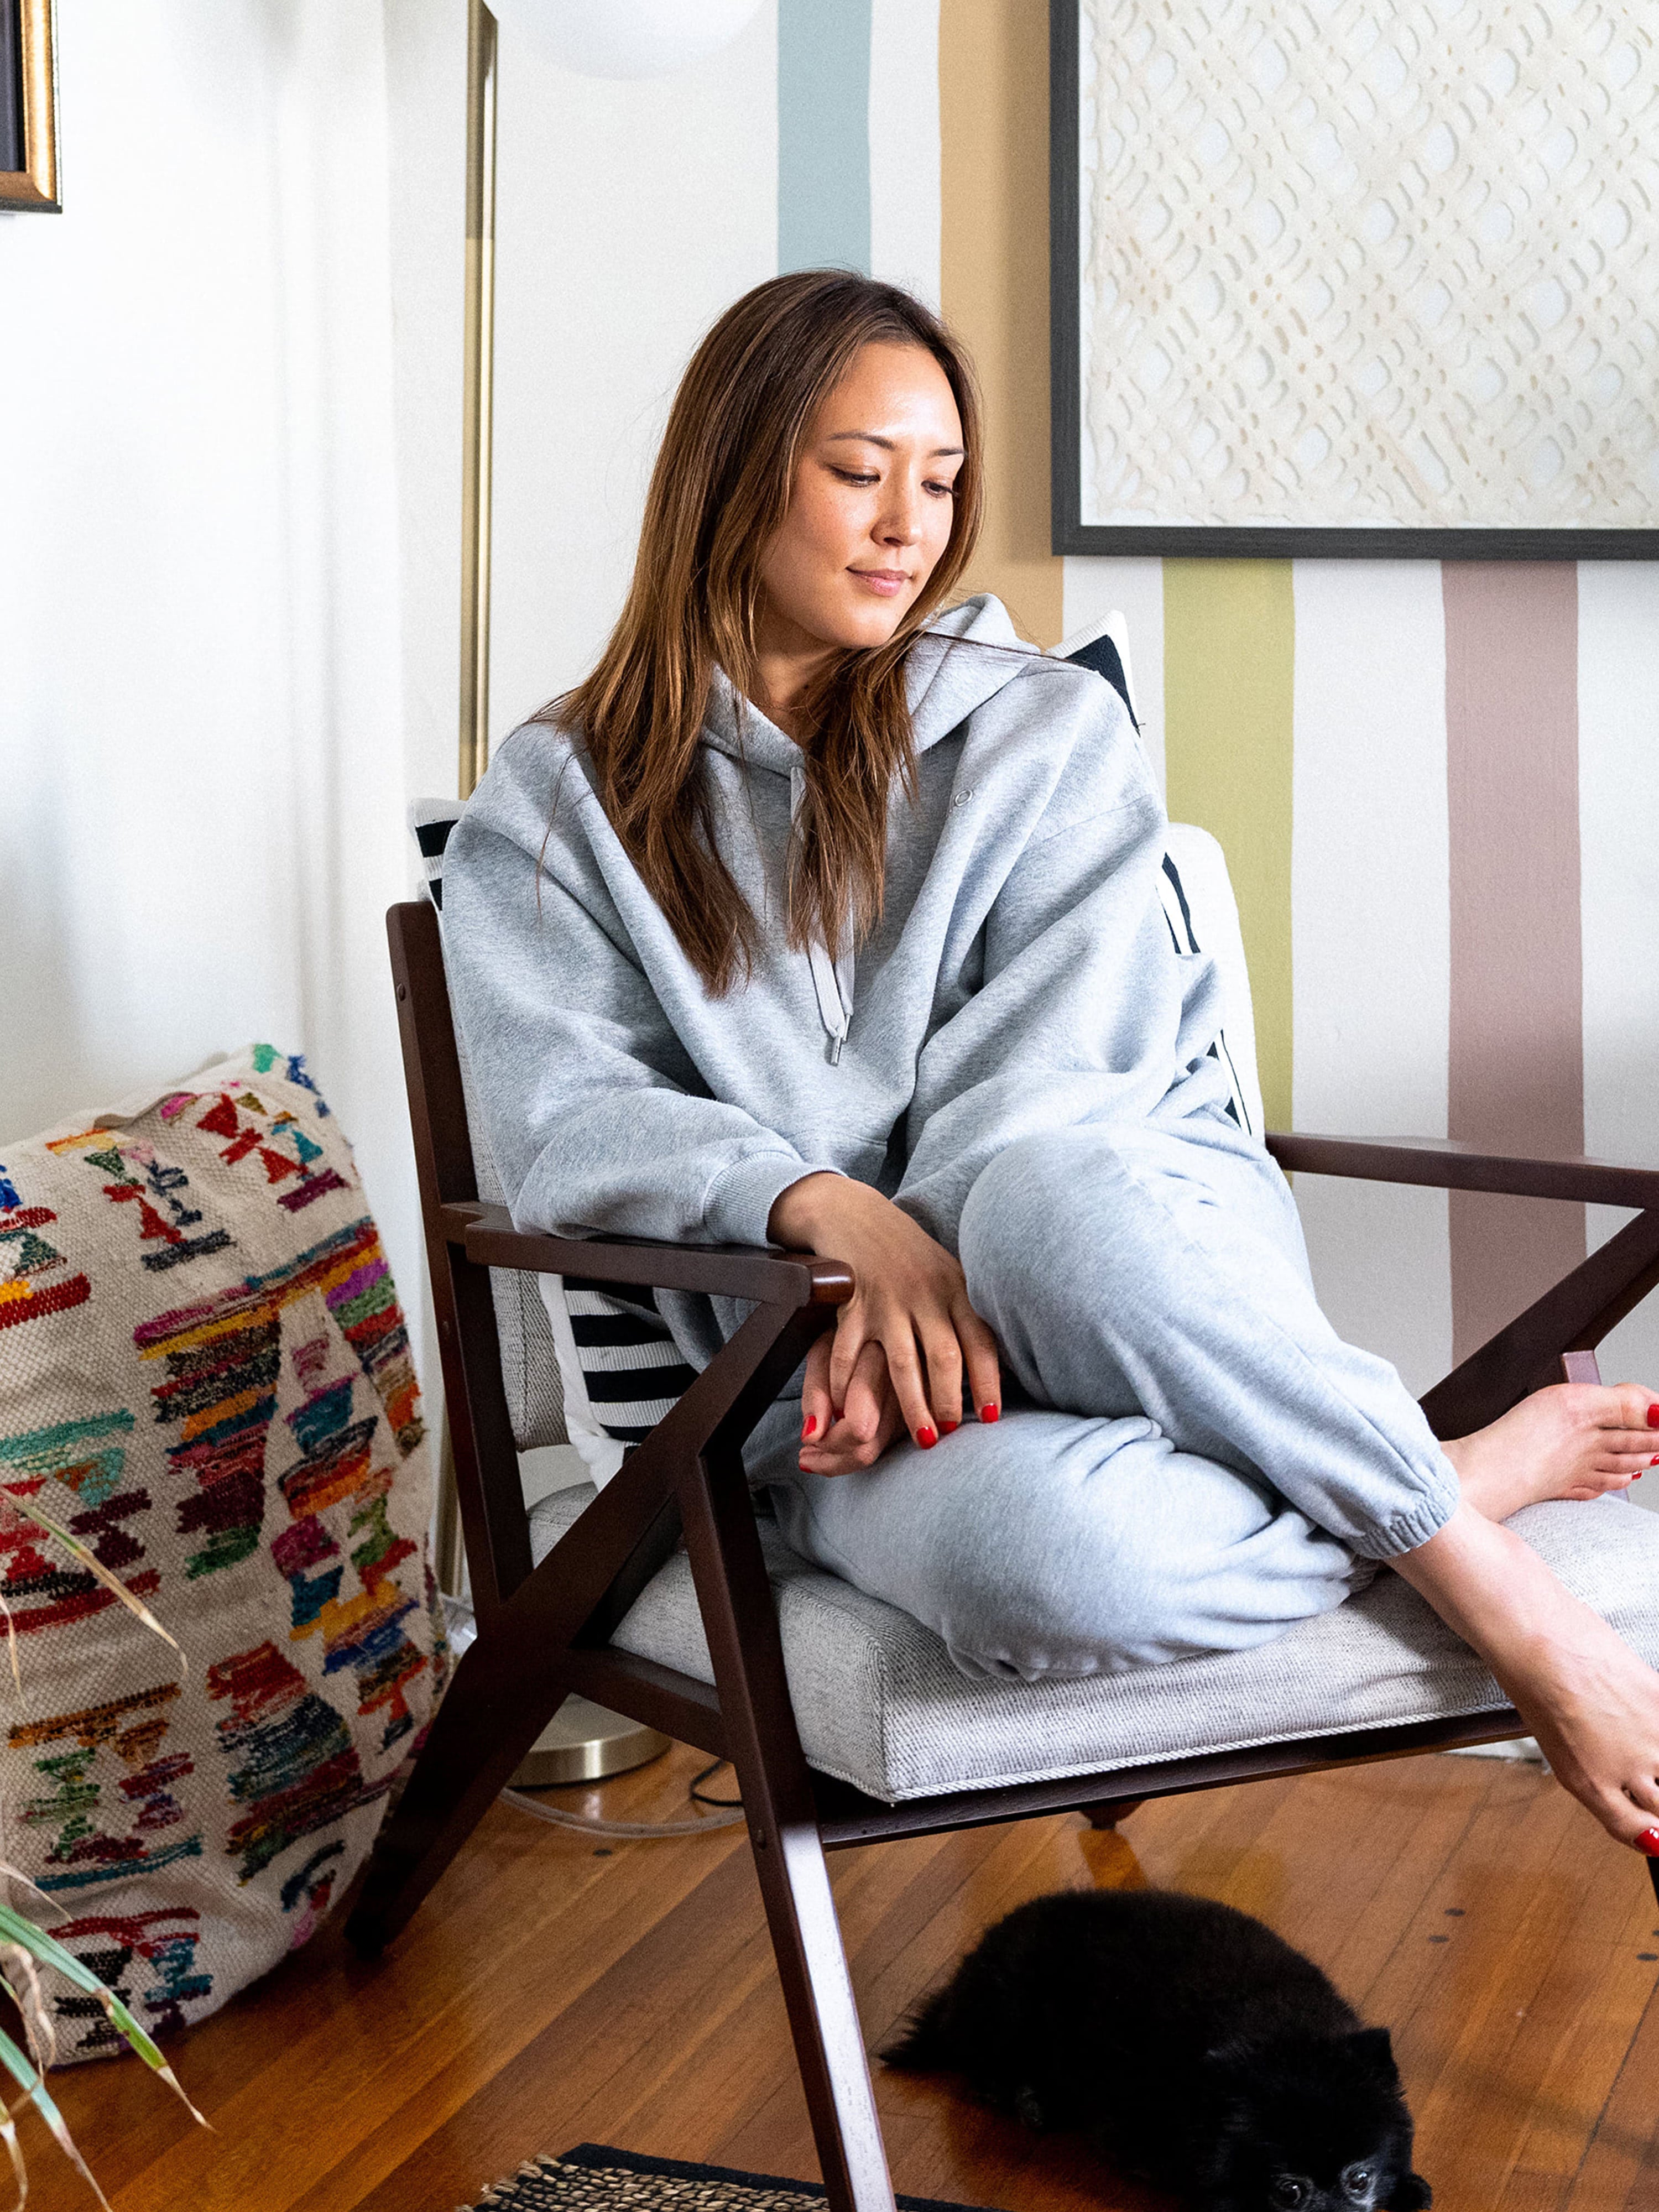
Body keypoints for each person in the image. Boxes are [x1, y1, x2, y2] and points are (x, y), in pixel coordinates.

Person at [445, 269, 1659, 1855]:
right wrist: (825, 1213)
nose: (909, 526)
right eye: (858, 470)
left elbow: (1068, 1077)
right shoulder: (559, 801)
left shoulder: (1043, 731)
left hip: (1126, 1257)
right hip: (832, 1388)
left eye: (940, 483)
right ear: (734, 470)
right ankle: (1449, 1477)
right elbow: (562, 1117)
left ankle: (1517, 1612)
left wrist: (931, 1258)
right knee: (1055, 1574)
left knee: (1044, 1201)